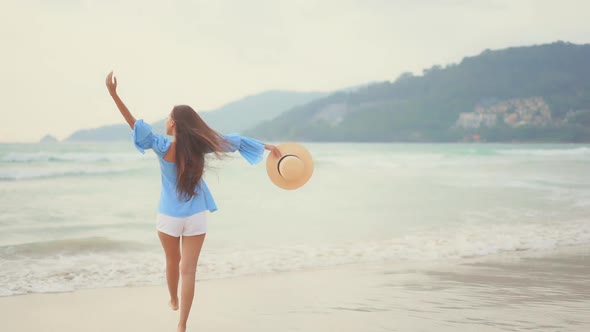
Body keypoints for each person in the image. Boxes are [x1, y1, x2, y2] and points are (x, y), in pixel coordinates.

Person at [105, 71, 281, 332]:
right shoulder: (201, 145)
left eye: (168, 118)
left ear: (174, 124)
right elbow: (236, 141)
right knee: (189, 271)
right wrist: (269, 147)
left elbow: (135, 125)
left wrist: (114, 94)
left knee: (171, 261)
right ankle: (182, 324)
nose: (166, 121)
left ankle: (173, 299)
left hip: (168, 216)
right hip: (196, 215)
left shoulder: (162, 145)